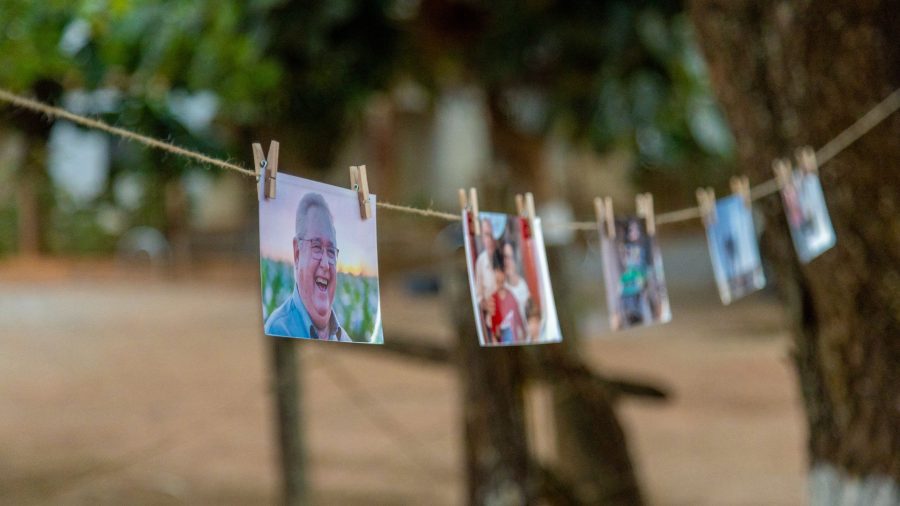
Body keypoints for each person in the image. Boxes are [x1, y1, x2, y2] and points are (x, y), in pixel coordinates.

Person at [265, 192, 349, 341]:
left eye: (330, 251)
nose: (325, 265)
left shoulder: (344, 338)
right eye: (316, 247)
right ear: (297, 253)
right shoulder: (279, 329)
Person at [489, 248, 526, 344]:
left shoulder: (511, 295)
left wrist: (522, 331)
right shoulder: (493, 298)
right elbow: (493, 321)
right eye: (497, 281)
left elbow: (518, 317)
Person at [474, 217, 498, 338]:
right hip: (491, 321)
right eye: (486, 235)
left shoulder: (505, 254)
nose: (489, 240)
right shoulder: (481, 261)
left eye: (491, 235)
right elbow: (478, 295)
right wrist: (484, 304)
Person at [502, 242, 531, 325]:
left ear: (515, 259)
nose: (506, 261)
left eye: (509, 257)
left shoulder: (523, 285)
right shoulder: (501, 287)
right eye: (504, 257)